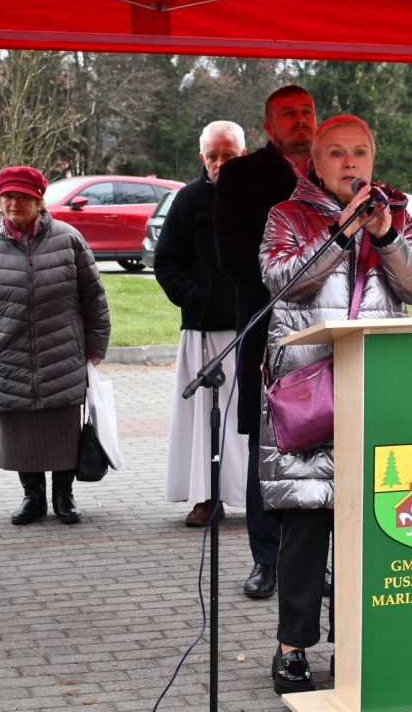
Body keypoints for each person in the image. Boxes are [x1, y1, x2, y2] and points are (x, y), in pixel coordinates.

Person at [260, 115, 412, 693]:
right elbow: (284, 281)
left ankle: (362, 642)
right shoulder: (286, 216)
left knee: (372, 527)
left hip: (379, 392)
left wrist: (383, 235)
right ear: (316, 159)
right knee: (306, 532)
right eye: (336, 153)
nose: (350, 163)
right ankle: (292, 649)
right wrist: (341, 232)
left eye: (360, 152)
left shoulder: (400, 212)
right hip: (312, 398)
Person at [213, 86, 316, 599]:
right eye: (288, 115)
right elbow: (233, 257)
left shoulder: (334, 172)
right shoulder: (241, 176)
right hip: (269, 331)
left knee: (324, 451)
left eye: (307, 113)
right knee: (268, 449)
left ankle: (315, 563)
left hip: (330, 340)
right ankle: (267, 560)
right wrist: (294, 294)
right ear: (268, 127)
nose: (301, 122)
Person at [0, 166, 111, 525]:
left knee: (63, 425)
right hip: (7, 353)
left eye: (22, 196)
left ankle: (64, 496)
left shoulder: (68, 239)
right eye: (7, 196)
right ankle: (32, 497)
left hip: (61, 351)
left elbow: (93, 297)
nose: (13, 203)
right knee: (22, 430)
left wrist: (95, 344)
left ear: (39, 201)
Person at [156, 121, 248, 526]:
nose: (220, 163)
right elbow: (165, 263)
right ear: (202, 158)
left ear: (242, 155)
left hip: (252, 326)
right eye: (213, 156)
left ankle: (256, 496)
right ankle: (206, 496)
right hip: (203, 331)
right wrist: (198, 297)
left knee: (249, 420)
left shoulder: (256, 199)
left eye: (228, 155)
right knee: (202, 422)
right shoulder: (188, 200)